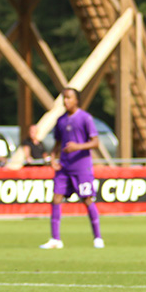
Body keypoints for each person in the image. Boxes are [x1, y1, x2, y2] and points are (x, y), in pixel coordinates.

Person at [40, 88, 104, 250]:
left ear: (76, 100)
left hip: (81, 167)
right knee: (56, 199)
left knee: (87, 199)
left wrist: (78, 146)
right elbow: (57, 143)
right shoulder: (61, 120)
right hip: (64, 167)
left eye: (69, 98)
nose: (65, 101)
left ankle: (97, 237)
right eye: (64, 98)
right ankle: (55, 238)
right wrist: (52, 158)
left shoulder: (85, 118)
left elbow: (95, 142)